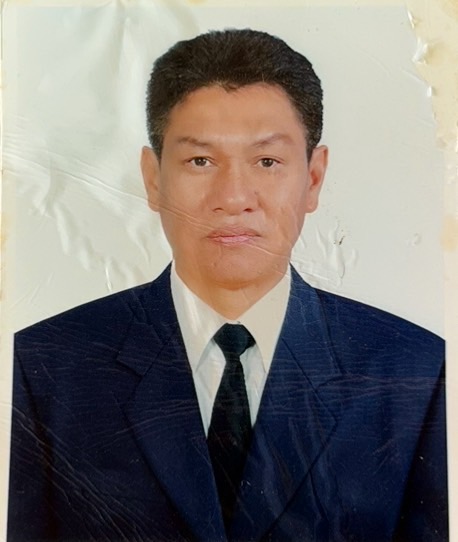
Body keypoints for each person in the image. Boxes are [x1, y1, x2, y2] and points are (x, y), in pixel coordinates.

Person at [8, 29, 447, 542]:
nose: (234, 197)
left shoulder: (416, 371)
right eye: (201, 161)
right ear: (153, 179)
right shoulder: (44, 367)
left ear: (313, 178)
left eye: (267, 162)